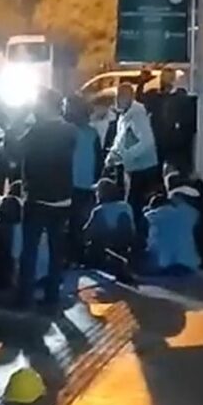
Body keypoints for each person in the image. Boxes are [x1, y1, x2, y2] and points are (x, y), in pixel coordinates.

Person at [17, 88, 78, 308]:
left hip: (38, 197)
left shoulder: (36, 131)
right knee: (56, 249)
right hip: (63, 197)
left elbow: (14, 150)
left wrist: (22, 120)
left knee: (29, 250)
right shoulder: (70, 130)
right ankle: (52, 296)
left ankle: (25, 297)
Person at [108, 83, 159, 249]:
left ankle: (138, 242)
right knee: (133, 205)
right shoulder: (126, 115)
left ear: (128, 97)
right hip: (134, 168)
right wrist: (113, 155)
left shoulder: (137, 116)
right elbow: (121, 140)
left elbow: (147, 142)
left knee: (134, 206)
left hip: (142, 169)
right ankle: (136, 241)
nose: (116, 100)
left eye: (119, 97)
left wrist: (125, 156)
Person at [64, 95, 105, 265]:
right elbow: (99, 160)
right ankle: (78, 256)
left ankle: (67, 257)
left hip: (67, 182)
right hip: (86, 184)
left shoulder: (66, 131)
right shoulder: (92, 132)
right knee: (80, 222)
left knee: (66, 223)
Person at [143, 173, 202, 275]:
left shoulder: (162, 213)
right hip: (188, 262)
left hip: (163, 263)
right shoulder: (193, 213)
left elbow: (146, 218)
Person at [83, 178, 135, 267]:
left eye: (97, 191)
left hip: (108, 248)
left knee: (92, 244)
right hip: (127, 246)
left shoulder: (100, 210)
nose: (96, 194)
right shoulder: (126, 206)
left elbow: (88, 233)